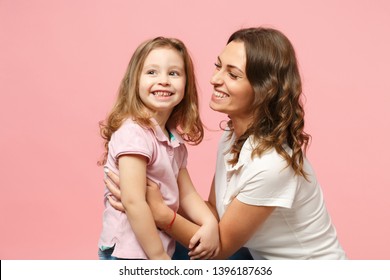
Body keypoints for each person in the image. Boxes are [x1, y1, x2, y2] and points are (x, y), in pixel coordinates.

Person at [105, 27, 347, 260]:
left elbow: (218, 249)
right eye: (218, 66)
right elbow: (214, 213)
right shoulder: (231, 137)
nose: (214, 79)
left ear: (265, 89)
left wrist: (159, 213)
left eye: (232, 74)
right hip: (252, 257)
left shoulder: (272, 165)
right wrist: (141, 200)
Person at [97, 37, 219, 260]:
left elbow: (187, 194)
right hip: (129, 253)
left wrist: (209, 223)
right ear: (134, 82)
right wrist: (158, 256)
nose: (163, 80)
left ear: (186, 85)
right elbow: (133, 201)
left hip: (158, 249)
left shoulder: (173, 141)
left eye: (173, 73)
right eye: (152, 72)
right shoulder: (134, 133)